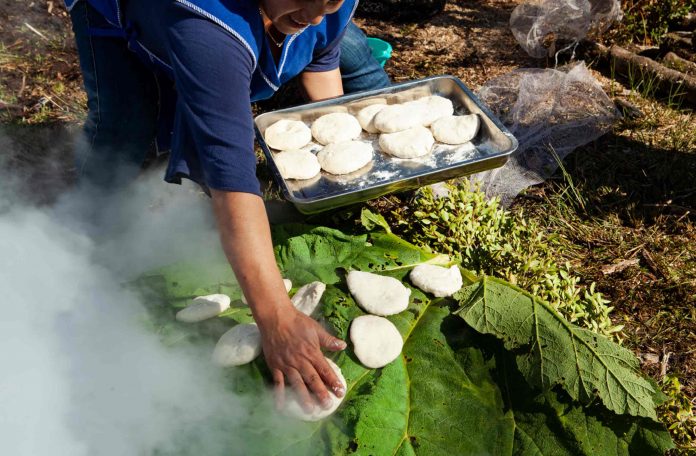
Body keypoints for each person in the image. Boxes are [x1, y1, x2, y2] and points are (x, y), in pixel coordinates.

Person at [64, 0, 390, 413]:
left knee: (331, 44)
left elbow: (320, 58)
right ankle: (81, 238)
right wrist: (276, 319)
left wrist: (337, 154)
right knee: (124, 125)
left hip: (216, 38)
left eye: (330, 2)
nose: (313, 13)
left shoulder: (319, 9)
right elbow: (231, 180)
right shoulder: (209, 29)